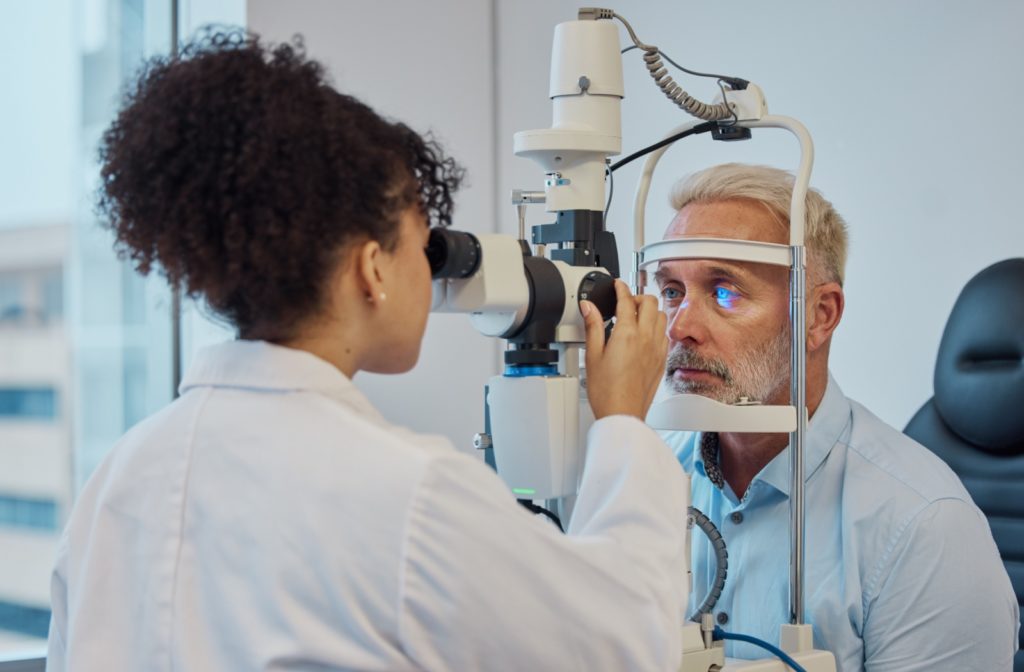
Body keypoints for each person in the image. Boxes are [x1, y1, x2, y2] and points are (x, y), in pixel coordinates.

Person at [46, 32, 690, 671]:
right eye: (422, 243)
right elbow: (626, 644)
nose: (431, 271)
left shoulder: (118, 479)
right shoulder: (410, 495)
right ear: (371, 267)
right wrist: (624, 425)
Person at [655, 163, 1020, 671]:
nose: (680, 326)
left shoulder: (923, 527)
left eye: (725, 291)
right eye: (672, 290)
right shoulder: (649, 479)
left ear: (819, 315)